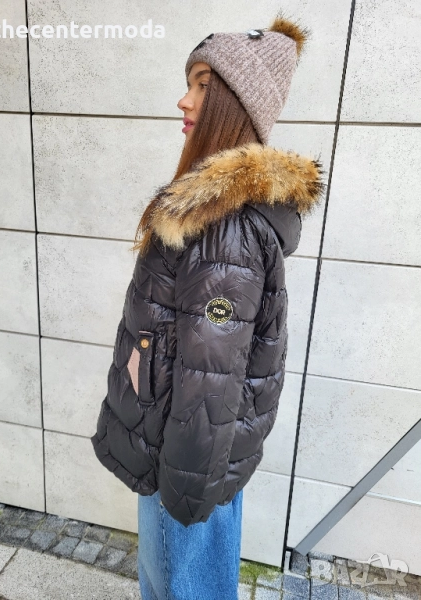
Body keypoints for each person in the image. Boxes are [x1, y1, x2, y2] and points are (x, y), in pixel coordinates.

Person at [91, 11, 326, 600]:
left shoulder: (225, 230)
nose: (184, 99)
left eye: (201, 84)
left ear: (232, 104)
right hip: (177, 453)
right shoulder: (212, 215)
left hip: (185, 469)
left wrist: (187, 493)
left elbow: (210, 380)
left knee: (184, 589)